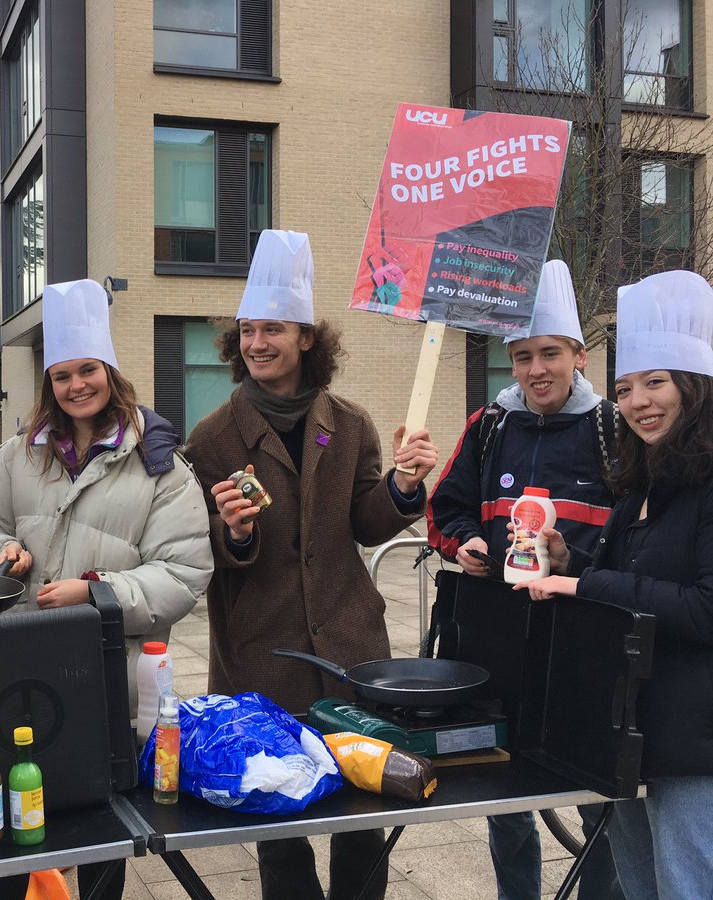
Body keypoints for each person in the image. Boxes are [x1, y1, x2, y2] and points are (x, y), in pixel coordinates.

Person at [182, 229, 439, 900]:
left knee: (364, 817)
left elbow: (366, 522)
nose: (257, 342)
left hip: (350, 646)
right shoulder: (211, 438)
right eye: (246, 331)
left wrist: (405, 488)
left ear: (305, 338)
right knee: (280, 825)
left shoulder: (348, 424)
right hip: (259, 655)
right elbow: (193, 548)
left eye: (273, 328)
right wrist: (230, 532)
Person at [0, 277, 213, 899]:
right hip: (21, 667)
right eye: (62, 375)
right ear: (48, 384)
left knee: (102, 834)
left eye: (87, 371)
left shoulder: (161, 468)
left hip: (108, 677)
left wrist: (96, 592)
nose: (76, 386)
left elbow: (182, 574)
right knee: (12, 824)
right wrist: (3, 554)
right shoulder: (17, 456)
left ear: (110, 371)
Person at [426, 259, 623, 900]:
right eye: (522, 356)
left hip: (583, 639)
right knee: (502, 791)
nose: (537, 370)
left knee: (595, 794)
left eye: (550, 354)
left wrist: (577, 564)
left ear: (580, 356)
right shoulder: (490, 428)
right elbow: (444, 509)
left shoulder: (615, 434)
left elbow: (637, 541)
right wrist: (467, 544)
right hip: (499, 639)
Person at [516, 269, 713, 900]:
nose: (638, 403)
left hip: (697, 740)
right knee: (638, 885)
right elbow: (630, 578)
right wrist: (567, 560)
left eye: (656, 383)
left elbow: (705, 609)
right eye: (625, 388)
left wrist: (584, 587)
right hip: (633, 726)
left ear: (696, 387)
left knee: (687, 885)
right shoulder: (647, 482)